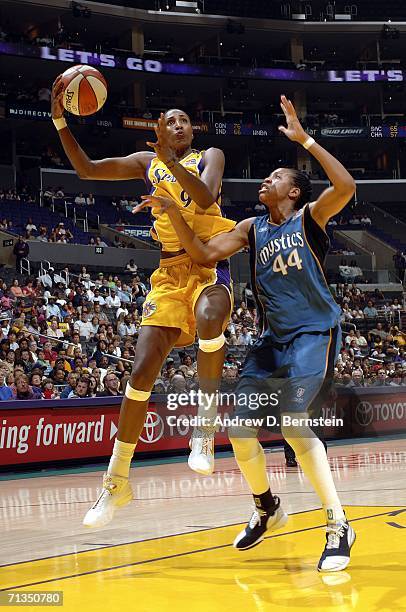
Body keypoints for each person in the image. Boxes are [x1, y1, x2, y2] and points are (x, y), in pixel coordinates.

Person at [144, 96, 356, 572]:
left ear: (295, 192)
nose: (267, 180)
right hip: (269, 341)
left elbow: (345, 185)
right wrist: (170, 210)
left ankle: (338, 523)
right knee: (238, 430)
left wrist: (306, 141)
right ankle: (267, 507)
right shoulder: (250, 228)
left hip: (312, 334)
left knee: (293, 424)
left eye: (278, 177)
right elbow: (200, 254)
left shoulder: (310, 219)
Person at [51, 78, 236, 526]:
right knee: (140, 372)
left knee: (211, 321)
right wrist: (59, 120)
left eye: (184, 121)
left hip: (210, 262)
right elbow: (88, 170)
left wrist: (171, 163)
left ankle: (205, 427)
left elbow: (206, 196)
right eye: (169, 121)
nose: (177, 125)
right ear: (158, 128)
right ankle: (116, 482)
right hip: (169, 272)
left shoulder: (208, 157)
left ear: (192, 131)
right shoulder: (145, 162)